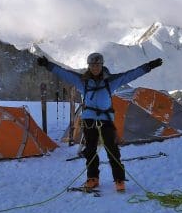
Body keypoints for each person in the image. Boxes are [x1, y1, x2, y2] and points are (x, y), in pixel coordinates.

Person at [37, 52, 162, 192]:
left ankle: (119, 179)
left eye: (97, 65)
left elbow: (131, 74)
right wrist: (47, 65)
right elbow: (64, 73)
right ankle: (92, 178)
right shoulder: (82, 81)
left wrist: (148, 66)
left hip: (106, 119)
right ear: (89, 66)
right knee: (90, 150)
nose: (95, 67)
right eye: (92, 65)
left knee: (112, 149)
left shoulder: (111, 81)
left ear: (102, 65)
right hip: (89, 119)